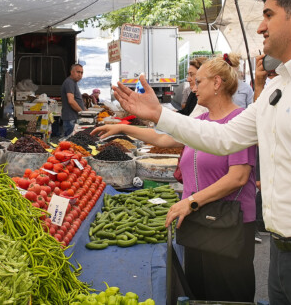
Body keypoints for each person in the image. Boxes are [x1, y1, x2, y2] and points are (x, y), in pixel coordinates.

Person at [113, 0, 291, 304]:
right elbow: (224, 137)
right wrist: (160, 115)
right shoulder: (278, 87)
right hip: (286, 254)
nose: (260, 27)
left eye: (268, 15)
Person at [94, 54, 258, 302]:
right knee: (198, 292)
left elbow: (238, 178)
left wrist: (191, 201)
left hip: (227, 224)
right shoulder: (201, 121)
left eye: (198, 81)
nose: (192, 87)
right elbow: (162, 138)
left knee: (227, 294)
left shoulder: (239, 122)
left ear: (217, 83)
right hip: (198, 220)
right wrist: (122, 127)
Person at [60, 64, 85, 136]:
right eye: (78, 72)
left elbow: (76, 99)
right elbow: (71, 101)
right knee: (70, 142)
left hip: (73, 118)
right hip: (71, 118)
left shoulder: (73, 83)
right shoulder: (69, 82)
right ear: (71, 72)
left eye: (81, 73)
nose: (80, 75)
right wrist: (82, 113)